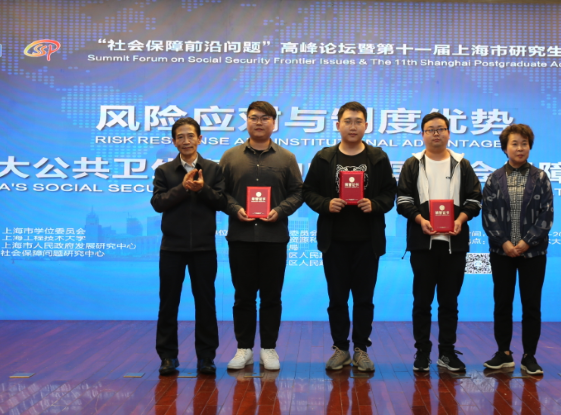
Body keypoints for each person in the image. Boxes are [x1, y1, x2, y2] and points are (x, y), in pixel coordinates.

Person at [303, 101, 397, 372]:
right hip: (334, 240)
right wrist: (326, 204)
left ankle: (361, 349)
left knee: (364, 299)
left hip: (368, 240)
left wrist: (375, 204)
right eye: (347, 121)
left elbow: (389, 193)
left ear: (366, 125)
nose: (353, 126)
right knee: (337, 299)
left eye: (358, 121)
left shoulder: (377, 157)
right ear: (338, 125)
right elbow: (308, 191)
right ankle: (340, 348)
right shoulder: (324, 157)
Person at [219, 101, 303, 371]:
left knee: (271, 296)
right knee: (243, 296)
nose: (259, 122)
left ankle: (269, 348)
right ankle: (243, 348)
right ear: (246, 121)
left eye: (265, 118)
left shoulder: (286, 158)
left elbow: (298, 192)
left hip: (274, 237)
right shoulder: (230, 156)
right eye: (254, 117)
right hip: (241, 237)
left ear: (274, 123)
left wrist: (280, 210)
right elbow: (220, 193)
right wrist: (235, 209)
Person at [396, 112, 482, 372]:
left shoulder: (462, 164)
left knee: (449, 303)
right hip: (423, 245)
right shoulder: (412, 164)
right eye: (430, 129)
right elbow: (403, 201)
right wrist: (421, 220)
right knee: (422, 302)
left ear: (448, 133)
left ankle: (447, 352)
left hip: (454, 244)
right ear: (422, 134)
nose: (436, 133)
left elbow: (475, 199)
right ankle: (422, 352)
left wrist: (461, 219)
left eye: (441, 129)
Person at [150, 117, 228, 375]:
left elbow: (221, 202)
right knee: (168, 303)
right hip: (172, 248)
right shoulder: (164, 171)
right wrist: (183, 188)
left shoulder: (213, 169)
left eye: (191, 136)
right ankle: (168, 357)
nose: (186, 141)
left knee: (206, 303)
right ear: (174, 141)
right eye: (180, 137)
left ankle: (206, 357)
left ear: (200, 139)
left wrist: (202, 189)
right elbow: (158, 203)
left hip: (204, 248)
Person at [481, 124, 554, 375]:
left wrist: (526, 242)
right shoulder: (494, 178)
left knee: (531, 305)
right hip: (502, 252)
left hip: (533, 253)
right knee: (502, 303)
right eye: (514, 143)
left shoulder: (540, 177)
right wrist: (504, 242)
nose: (520, 148)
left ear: (530, 147)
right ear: (505, 148)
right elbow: (488, 215)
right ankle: (503, 353)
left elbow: (546, 214)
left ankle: (529, 356)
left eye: (524, 143)